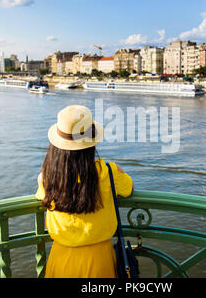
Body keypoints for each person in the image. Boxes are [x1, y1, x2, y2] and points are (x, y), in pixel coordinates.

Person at [35, 105, 134, 278]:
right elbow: (129, 188)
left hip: (61, 258)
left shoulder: (47, 177)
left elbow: (42, 196)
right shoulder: (108, 172)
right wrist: (118, 169)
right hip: (99, 259)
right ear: (91, 144)